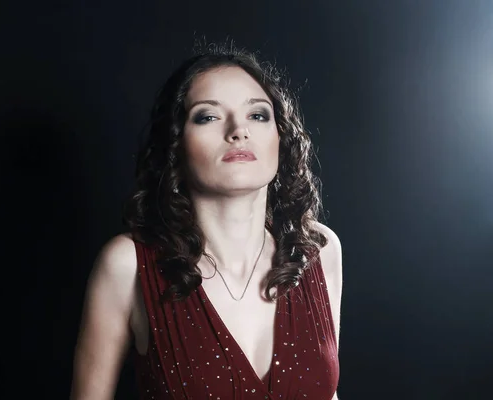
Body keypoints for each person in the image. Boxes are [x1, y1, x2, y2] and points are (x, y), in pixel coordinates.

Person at [70, 43, 343, 400]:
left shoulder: (320, 250)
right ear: (175, 145)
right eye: (208, 116)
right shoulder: (128, 265)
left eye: (258, 115)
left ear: (281, 136)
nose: (238, 131)